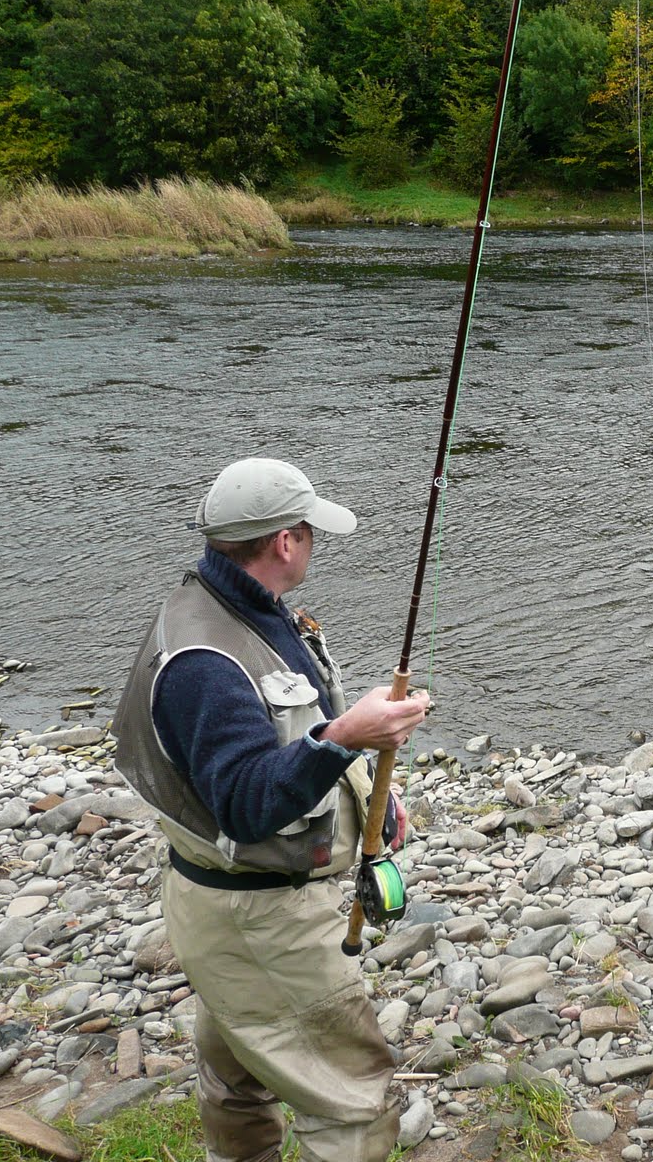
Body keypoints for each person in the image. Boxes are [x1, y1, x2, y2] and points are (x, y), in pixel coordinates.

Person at [112, 457, 430, 1162]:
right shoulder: (204, 663)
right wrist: (348, 737)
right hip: (259, 918)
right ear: (285, 541)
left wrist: (369, 792)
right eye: (310, 532)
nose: (315, 544)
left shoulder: (237, 607)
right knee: (354, 1102)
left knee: (238, 1075)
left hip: (227, 909)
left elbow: (283, 739)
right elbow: (246, 804)